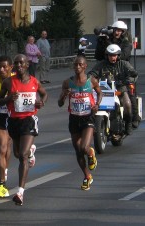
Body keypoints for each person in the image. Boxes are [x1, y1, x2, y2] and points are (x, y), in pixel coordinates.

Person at [0, 55, 37, 199]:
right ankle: (2, 183)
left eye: (4, 67)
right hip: (0, 115)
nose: (1, 69)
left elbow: (29, 95)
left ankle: (29, 151)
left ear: (10, 67)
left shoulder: (16, 79)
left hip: (14, 117)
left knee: (16, 152)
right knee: (2, 148)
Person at [0, 54, 47, 206]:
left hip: (29, 120)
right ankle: (30, 152)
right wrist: (8, 99)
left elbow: (44, 94)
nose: (19, 65)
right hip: (13, 121)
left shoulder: (34, 81)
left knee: (23, 155)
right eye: (16, 63)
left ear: (27, 65)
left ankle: (20, 192)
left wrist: (41, 103)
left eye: (21, 63)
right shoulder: (8, 82)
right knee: (19, 154)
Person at [58, 56, 102, 191]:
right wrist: (64, 95)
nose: (77, 67)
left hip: (88, 117)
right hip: (74, 118)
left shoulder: (91, 81)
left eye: (80, 64)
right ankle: (87, 176)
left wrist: (97, 105)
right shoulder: (67, 83)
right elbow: (60, 104)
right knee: (78, 150)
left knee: (84, 147)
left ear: (85, 66)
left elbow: (100, 93)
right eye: (75, 64)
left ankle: (90, 153)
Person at [88, 44, 138, 135]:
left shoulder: (124, 64)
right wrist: (90, 78)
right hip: (105, 90)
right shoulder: (101, 65)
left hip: (120, 90)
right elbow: (92, 73)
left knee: (127, 104)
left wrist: (128, 80)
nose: (112, 57)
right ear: (107, 56)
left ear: (118, 55)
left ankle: (128, 123)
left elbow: (134, 74)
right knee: (92, 104)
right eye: (110, 55)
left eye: (114, 55)